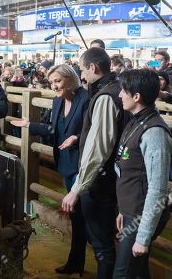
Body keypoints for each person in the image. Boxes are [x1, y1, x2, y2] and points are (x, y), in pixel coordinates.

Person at [11, 64, 89, 276]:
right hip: (65, 164)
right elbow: (54, 130)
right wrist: (29, 125)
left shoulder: (86, 98)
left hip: (83, 166)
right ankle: (76, 262)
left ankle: (82, 261)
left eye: (58, 81)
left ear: (70, 80)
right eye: (52, 82)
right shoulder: (57, 100)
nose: (54, 86)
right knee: (76, 215)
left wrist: (77, 138)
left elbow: (95, 133)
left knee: (83, 215)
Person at [62, 47, 128, 278]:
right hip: (111, 178)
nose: (82, 75)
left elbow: (99, 147)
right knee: (103, 242)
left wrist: (78, 188)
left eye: (82, 69)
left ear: (93, 67)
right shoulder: (117, 89)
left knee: (102, 247)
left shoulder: (106, 96)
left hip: (100, 181)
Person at [113, 69, 172, 278]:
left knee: (123, 273)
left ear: (136, 97)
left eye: (123, 91)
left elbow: (157, 189)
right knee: (137, 273)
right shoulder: (136, 119)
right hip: (132, 210)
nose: (120, 95)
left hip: (141, 216)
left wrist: (143, 237)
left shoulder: (154, 132)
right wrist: (123, 210)